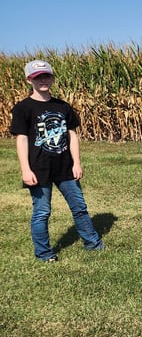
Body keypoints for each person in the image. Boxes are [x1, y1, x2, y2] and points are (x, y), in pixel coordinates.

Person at [10, 60, 104, 262]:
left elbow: (72, 135)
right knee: (42, 212)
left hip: (65, 167)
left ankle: (93, 244)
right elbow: (22, 139)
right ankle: (44, 254)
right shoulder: (23, 108)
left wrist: (76, 162)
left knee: (79, 207)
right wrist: (26, 169)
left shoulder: (62, 106)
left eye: (46, 76)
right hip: (39, 168)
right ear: (29, 80)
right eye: (37, 77)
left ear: (52, 78)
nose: (43, 80)